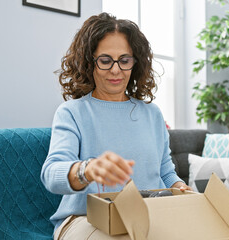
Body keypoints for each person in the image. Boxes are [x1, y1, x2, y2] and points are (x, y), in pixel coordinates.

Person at [41, 12, 192, 240]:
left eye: (124, 60)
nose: (115, 70)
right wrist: (87, 169)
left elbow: (165, 172)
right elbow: (51, 174)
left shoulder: (152, 114)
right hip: (84, 219)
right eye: (105, 60)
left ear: (135, 63)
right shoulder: (72, 112)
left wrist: (181, 187)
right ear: (88, 62)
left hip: (148, 217)